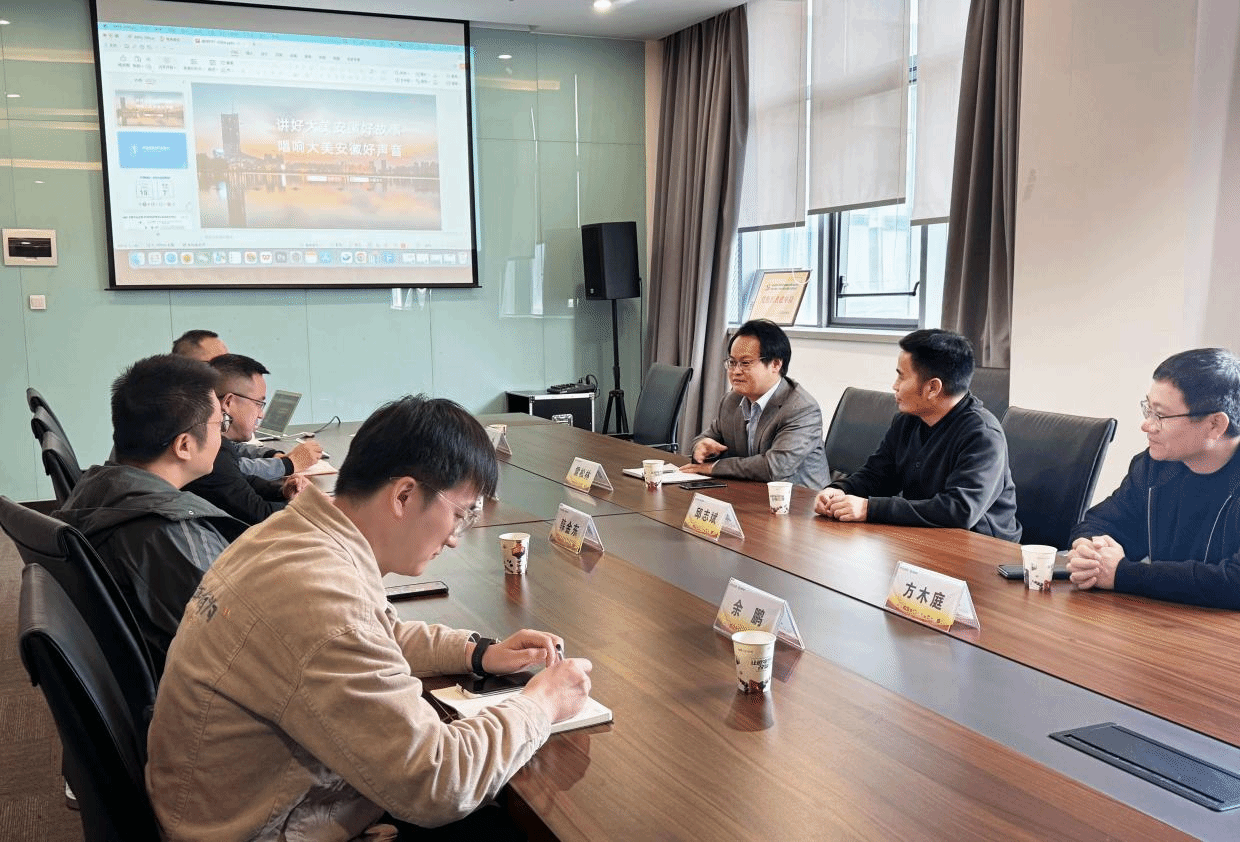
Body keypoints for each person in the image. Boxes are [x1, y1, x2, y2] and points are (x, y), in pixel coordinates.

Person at [146, 395, 593, 840]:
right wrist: (542, 704)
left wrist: (479, 653)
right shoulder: (322, 599)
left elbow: (378, 635)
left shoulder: (290, 534)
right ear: (404, 495)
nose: (454, 539)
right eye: (459, 515)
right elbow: (438, 781)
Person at [53, 355, 246, 670]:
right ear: (184, 445)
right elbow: (244, 637)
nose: (223, 435)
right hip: (194, 687)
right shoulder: (170, 536)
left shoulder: (96, 487)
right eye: (220, 423)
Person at [1067, 348, 1240, 609]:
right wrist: (1090, 551)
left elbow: (1234, 582)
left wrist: (1123, 574)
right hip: (1163, 621)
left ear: (1215, 424)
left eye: (1160, 415)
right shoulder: (1155, 467)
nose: (1147, 425)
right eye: (1148, 409)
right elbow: (1099, 522)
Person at [814, 329, 1021, 541]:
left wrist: (870, 508)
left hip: (982, 547)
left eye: (901, 376)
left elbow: (960, 510)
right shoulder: (907, 420)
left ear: (932, 387)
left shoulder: (983, 435)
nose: (894, 385)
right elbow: (877, 475)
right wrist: (839, 490)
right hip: (925, 536)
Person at [683, 319, 830, 488]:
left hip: (800, 499)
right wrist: (700, 447)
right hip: (750, 492)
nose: (736, 371)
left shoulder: (801, 409)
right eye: (732, 362)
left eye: (745, 363)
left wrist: (714, 468)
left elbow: (774, 467)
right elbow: (707, 437)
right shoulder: (731, 400)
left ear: (775, 364)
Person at [184, 353, 318, 525]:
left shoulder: (219, 443)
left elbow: (241, 478)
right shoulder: (211, 451)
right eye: (258, 404)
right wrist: (312, 506)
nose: (261, 414)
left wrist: (282, 491)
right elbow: (260, 516)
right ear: (228, 402)